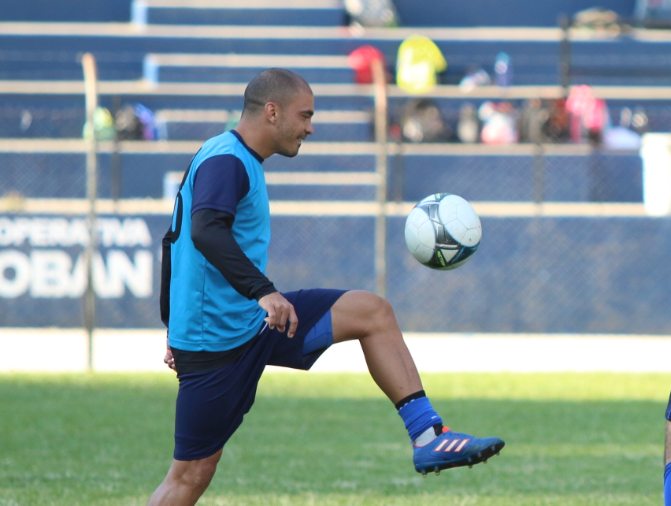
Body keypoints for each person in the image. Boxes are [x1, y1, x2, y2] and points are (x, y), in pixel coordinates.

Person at [148, 68, 505, 506]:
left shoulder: (230, 157)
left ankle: (428, 435)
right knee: (189, 478)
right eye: (305, 115)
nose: (310, 127)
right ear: (272, 112)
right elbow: (203, 230)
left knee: (372, 312)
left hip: (251, 325)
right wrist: (261, 291)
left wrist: (171, 320)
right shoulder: (227, 161)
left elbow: (173, 238)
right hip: (216, 346)